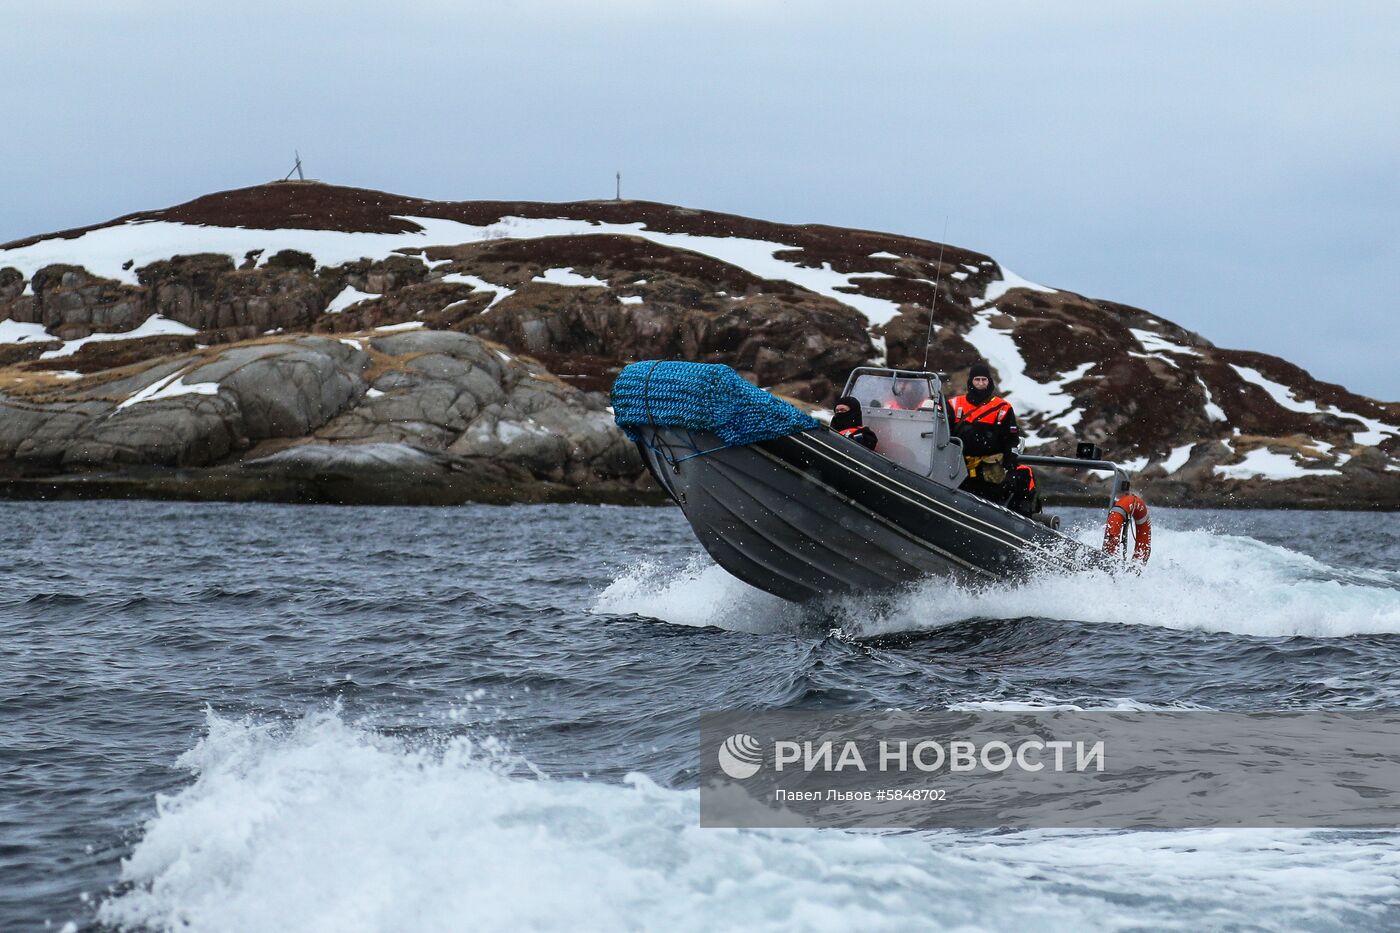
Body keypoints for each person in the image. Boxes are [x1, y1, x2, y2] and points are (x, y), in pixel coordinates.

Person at [946, 362, 1021, 501]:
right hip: (959, 469)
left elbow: (1011, 441)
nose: (980, 383)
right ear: (971, 382)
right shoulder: (954, 404)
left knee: (988, 503)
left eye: (984, 379)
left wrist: (1011, 471)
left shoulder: (1003, 407)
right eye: (977, 379)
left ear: (989, 381)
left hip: (990, 471)